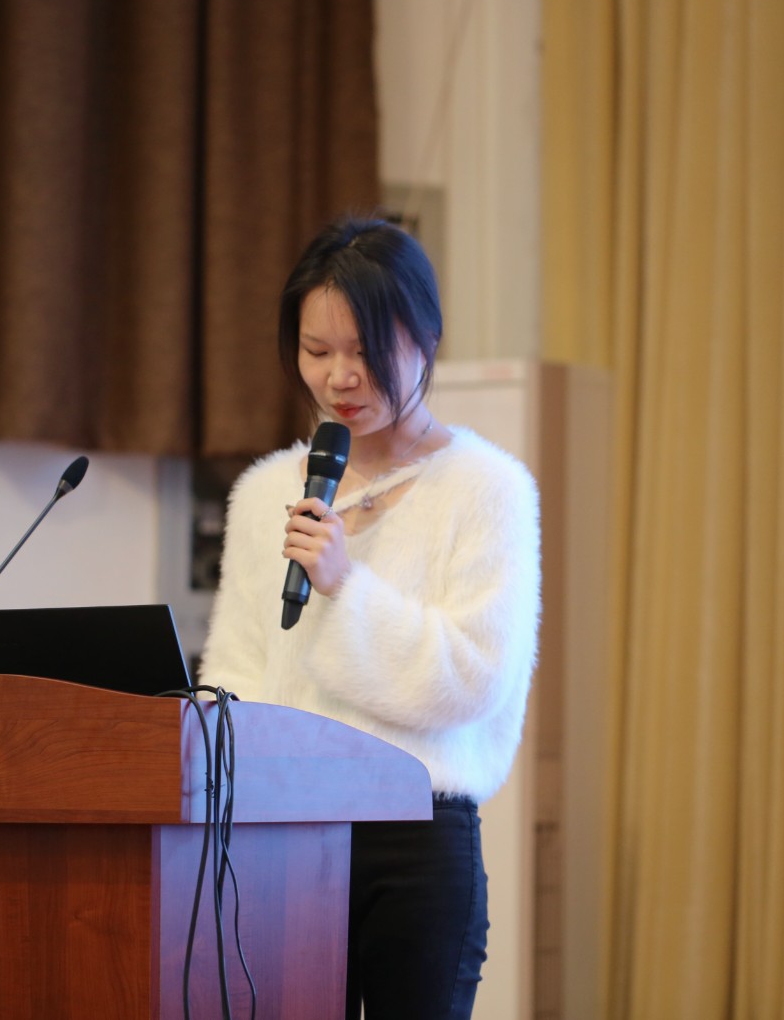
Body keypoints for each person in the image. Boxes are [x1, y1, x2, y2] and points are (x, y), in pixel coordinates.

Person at [198, 216, 542, 1020]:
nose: (340, 377)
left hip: (415, 840)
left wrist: (346, 589)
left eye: (365, 351)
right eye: (316, 351)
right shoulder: (267, 493)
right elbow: (237, 674)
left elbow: (475, 680)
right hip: (281, 836)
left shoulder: (485, 488)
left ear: (426, 339)